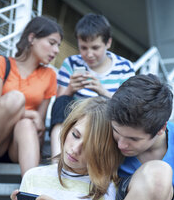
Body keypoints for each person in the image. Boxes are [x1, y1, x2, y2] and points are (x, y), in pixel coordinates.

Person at [0, 16, 63, 183]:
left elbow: (39, 124)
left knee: (27, 124)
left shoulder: (49, 76)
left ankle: (31, 188)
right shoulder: (1, 63)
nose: (56, 50)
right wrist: (30, 114)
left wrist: (31, 118)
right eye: (52, 43)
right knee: (15, 98)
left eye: (58, 46)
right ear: (32, 38)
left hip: (19, 145)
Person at [50, 13, 135, 157]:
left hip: (106, 121)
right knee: (62, 102)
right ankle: (56, 162)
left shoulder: (125, 67)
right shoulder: (71, 63)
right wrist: (71, 89)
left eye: (95, 48)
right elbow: (60, 103)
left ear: (108, 43)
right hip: (77, 118)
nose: (89, 54)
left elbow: (128, 106)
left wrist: (101, 91)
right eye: (83, 48)